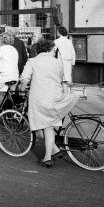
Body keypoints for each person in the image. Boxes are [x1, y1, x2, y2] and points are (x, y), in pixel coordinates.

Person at [21, 39, 78, 168]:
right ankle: (55, 150)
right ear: (49, 49)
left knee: (40, 126)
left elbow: (25, 79)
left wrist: (21, 87)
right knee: (49, 127)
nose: (55, 52)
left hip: (39, 100)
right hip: (55, 99)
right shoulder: (58, 63)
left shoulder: (33, 61)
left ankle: (47, 157)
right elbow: (61, 79)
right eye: (54, 50)